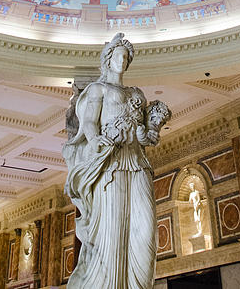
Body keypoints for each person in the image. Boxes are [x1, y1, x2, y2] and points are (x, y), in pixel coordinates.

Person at [63, 33, 171, 289]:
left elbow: (146, 132)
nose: (123, 61)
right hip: (111, 165)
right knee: (112, 233)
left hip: (137, 164)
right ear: (109, 59)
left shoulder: (137, 93)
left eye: (127, 57)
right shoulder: (98, 90)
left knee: (146, 234)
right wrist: (96, 140)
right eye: (119, 56)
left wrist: (150, 132)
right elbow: (89, 122)